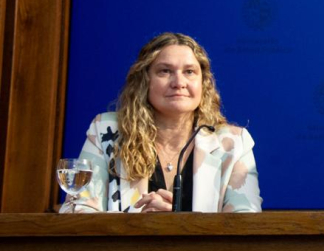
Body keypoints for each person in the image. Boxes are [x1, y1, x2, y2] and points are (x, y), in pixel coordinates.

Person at [60, 32, 261, 213]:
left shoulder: (233, 143)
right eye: (165, 71)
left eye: (189, 72)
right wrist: (138, 223)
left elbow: (245, 224)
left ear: (203, 83)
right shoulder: (107, 132)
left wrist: (181, 224)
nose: (179, 82)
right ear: (145, 81)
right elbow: (77, 211)